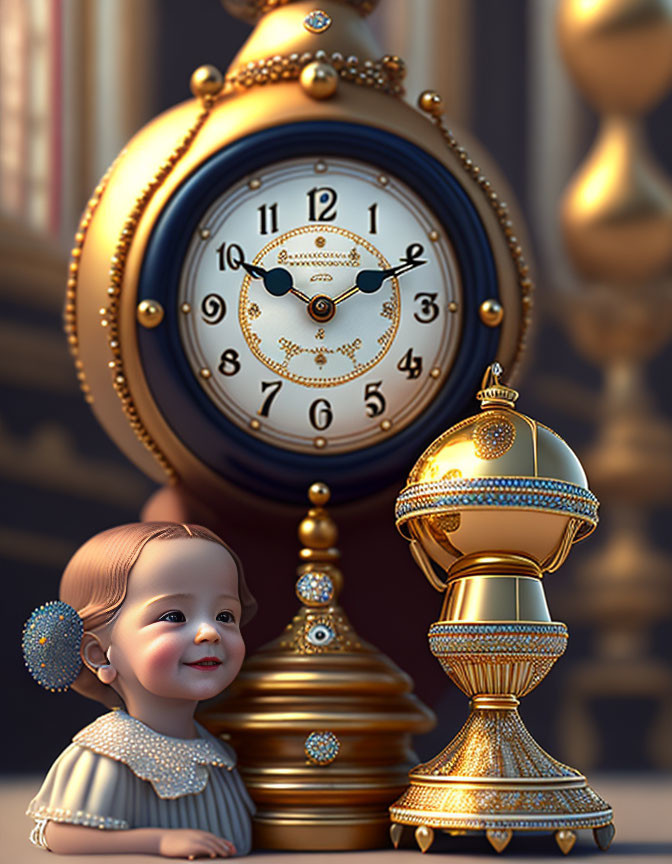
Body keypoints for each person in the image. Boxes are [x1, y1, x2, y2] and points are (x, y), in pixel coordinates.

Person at [22, 522, 257, 859]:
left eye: (225, 615)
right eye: (175, 615)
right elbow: (61, 834)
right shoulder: (109, 754)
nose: (210, 632)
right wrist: (158, 842)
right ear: (99, 653)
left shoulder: (216, 753)